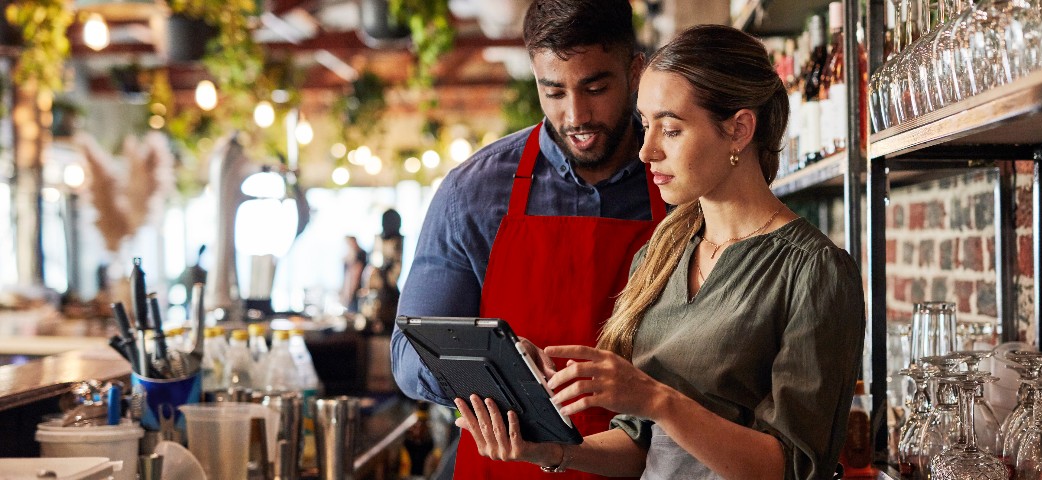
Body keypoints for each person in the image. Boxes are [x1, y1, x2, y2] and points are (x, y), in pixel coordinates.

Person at [452, 24, 866, 480]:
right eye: (646, 126)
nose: (646, 152)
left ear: (739, 129)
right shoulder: (660, 254)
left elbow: (795, 468)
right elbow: (643, 446)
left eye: (670, 129)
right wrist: (550, 448)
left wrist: (657, 399)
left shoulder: (814, 271)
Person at [392, 0, 665, 478]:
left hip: (647, 465)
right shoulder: (473, 192)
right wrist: (498, 370)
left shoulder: (679, 180)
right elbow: (409, 354)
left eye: (596, 88)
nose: (576, 115)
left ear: (634, 71)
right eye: (553, 91)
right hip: (508, 464)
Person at [340, 235, 367, 312]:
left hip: (356, 291)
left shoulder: (360, 255)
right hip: (350, 291)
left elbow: (356, 275)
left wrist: (349, 294)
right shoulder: (349, 256)